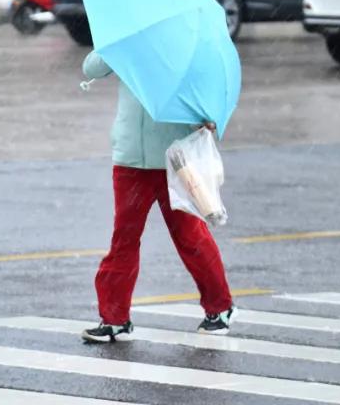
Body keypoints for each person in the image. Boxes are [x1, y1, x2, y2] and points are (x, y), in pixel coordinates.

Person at [80, 52, 234, 342]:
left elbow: (204, 92)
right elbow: (91, 68)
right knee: (123, 239)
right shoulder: (127, 44)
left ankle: (220, 307)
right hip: (129, 159)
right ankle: (115, 319)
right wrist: (115, 45)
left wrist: (208, 117)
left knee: (189, 237)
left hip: (173, 160)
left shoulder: (180, 48)